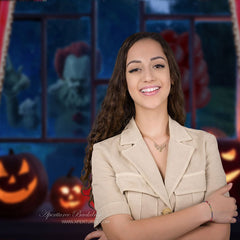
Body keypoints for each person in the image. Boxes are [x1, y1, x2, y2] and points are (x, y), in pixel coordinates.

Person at [82, 32, 237, 240]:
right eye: (135, 69)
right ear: (125, 82)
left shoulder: (205, 144)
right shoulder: (104, 153)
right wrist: (207, 210)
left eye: (158, 65)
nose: (148, 76)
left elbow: (219, 235)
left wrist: (132, 235)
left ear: (172, 76)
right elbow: (122, 235)